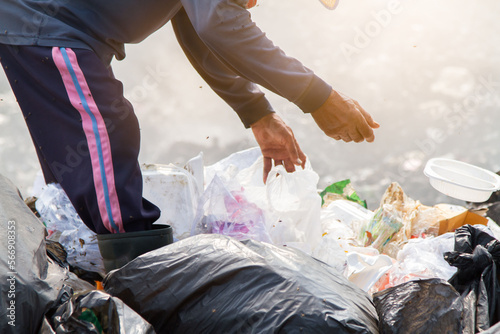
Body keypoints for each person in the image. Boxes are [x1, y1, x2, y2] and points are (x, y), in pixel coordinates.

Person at [0, 0, 379, 271]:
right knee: (107, 144)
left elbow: (198, 23)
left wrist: (257, 112)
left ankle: (83, 265)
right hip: (48, 25)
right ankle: (142, 283)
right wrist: (319, 99)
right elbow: (218, 23)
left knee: (80, 173)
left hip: (49, 29)